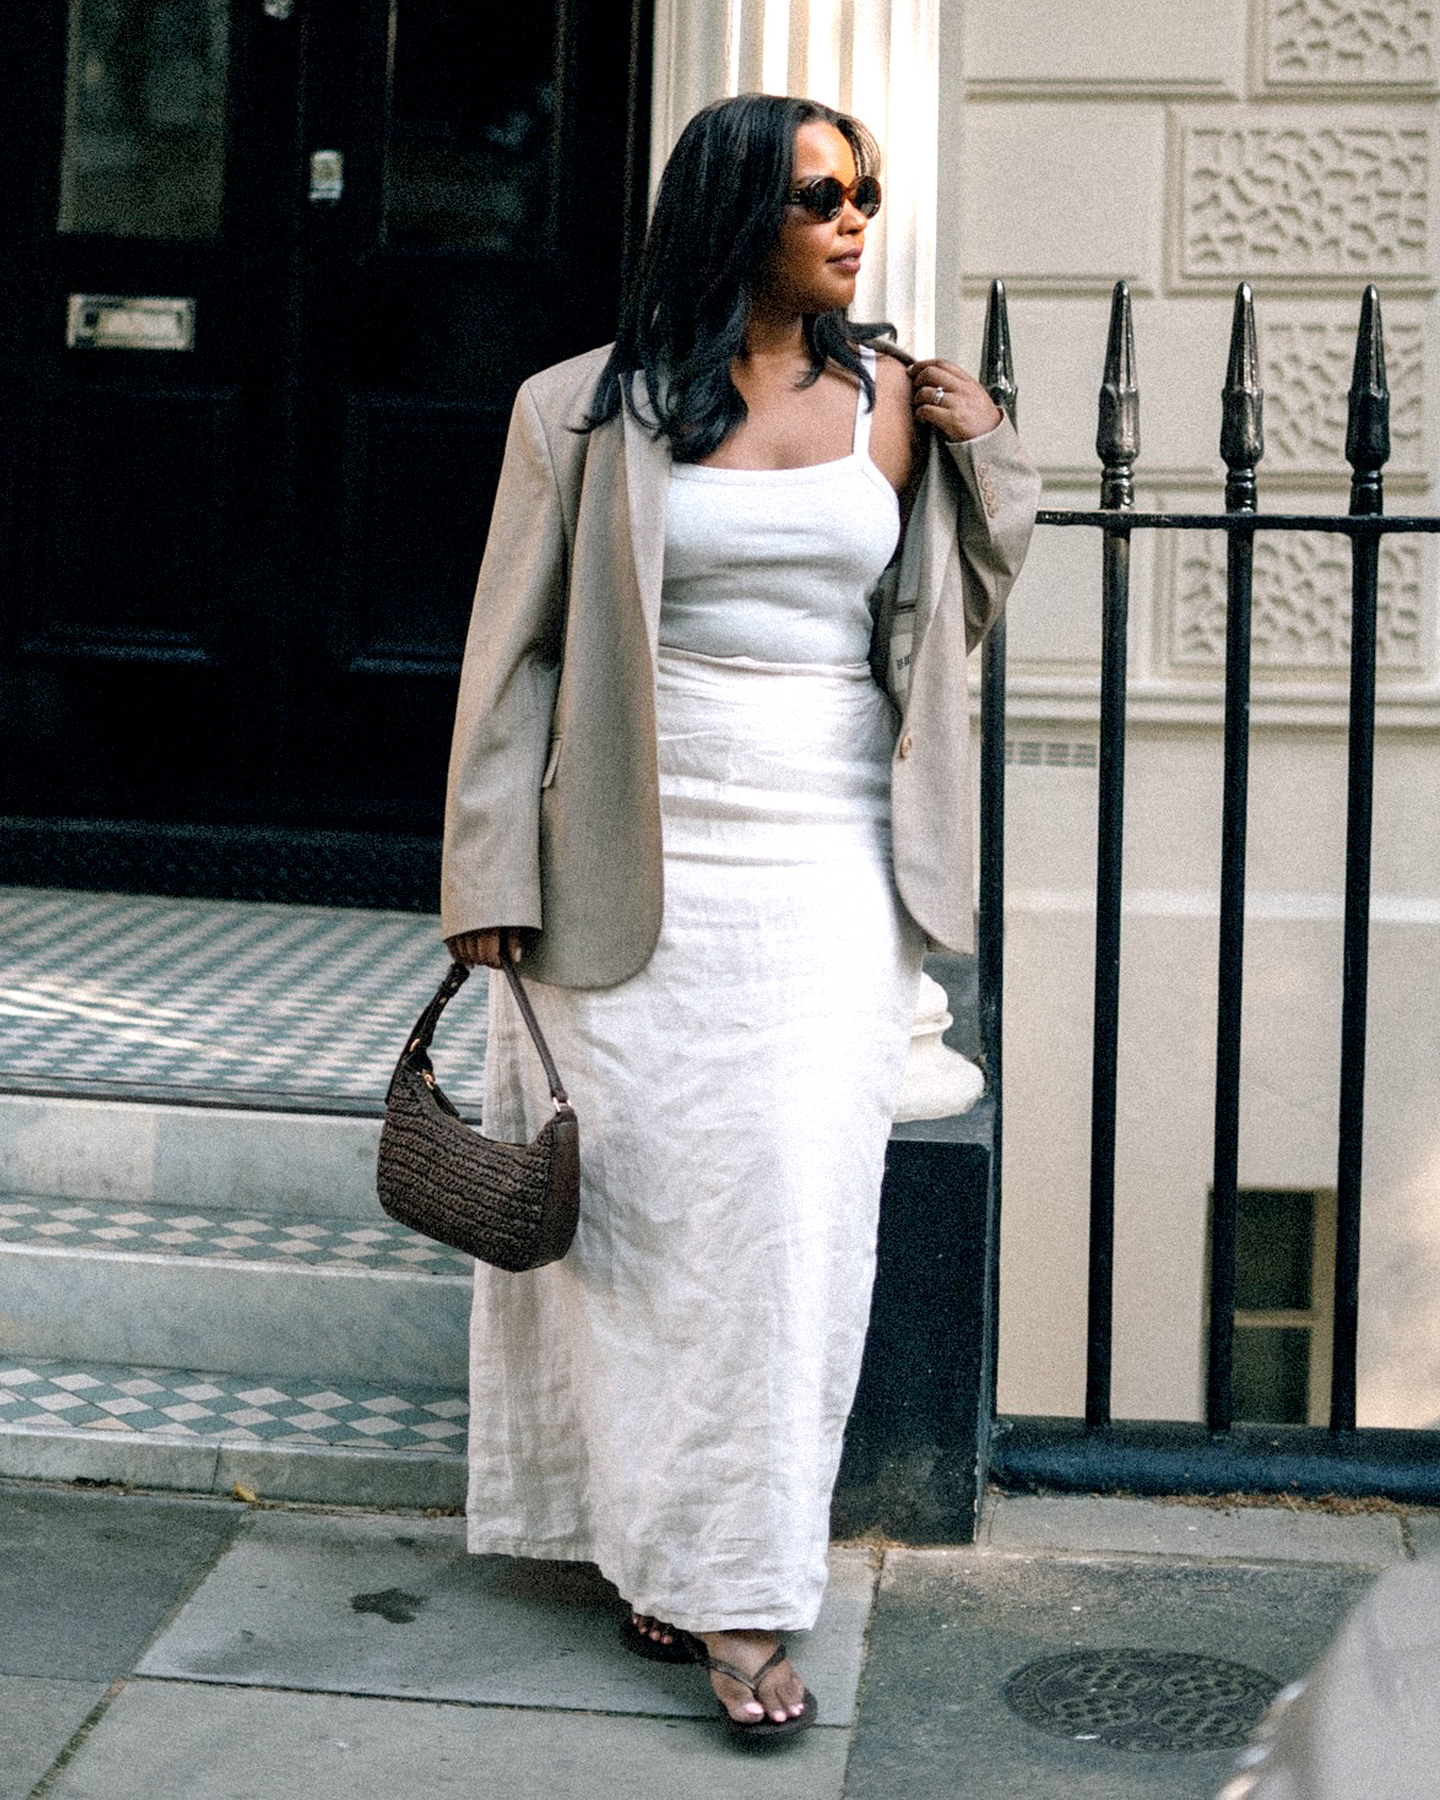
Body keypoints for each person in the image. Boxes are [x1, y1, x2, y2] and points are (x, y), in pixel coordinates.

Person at [440, 92, 1039, 1743]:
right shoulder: (581, 412)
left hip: (830, 861)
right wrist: (488, 881)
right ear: (734, 217)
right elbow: (517, 660)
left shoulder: (897, 406)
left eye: (867, 191)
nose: (855, 220)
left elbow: (955, 608)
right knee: (632, 1230)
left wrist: (989, 450)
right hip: (628, 861)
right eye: (821, 197)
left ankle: (753, 1596)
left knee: (789, 1225)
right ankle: (654, 1550)